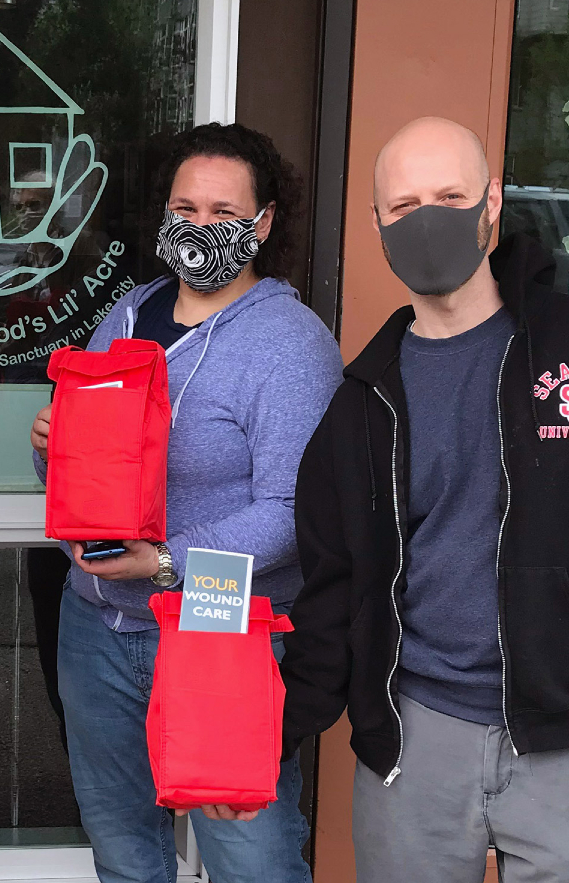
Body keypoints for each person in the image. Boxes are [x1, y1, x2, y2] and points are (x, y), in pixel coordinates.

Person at [280, 116, 569, 882]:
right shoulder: (361, 402)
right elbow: (333, 586)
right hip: (413, 738)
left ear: (489, 202)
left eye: (450, 195)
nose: (428, 220)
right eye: (405, 204)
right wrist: (269, 734)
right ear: (377, 222)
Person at [30, 122, 343, 883]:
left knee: (253, 860)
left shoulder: (290, 343)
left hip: (217, 631)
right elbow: (90, 472)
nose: (201, 227)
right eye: (185, 207)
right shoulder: (129, 315)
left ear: (263, 223)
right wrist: (50, 447)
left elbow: (290, 510)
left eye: (224, 213)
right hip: (98, 626)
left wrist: (167, 559)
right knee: (126, 856)